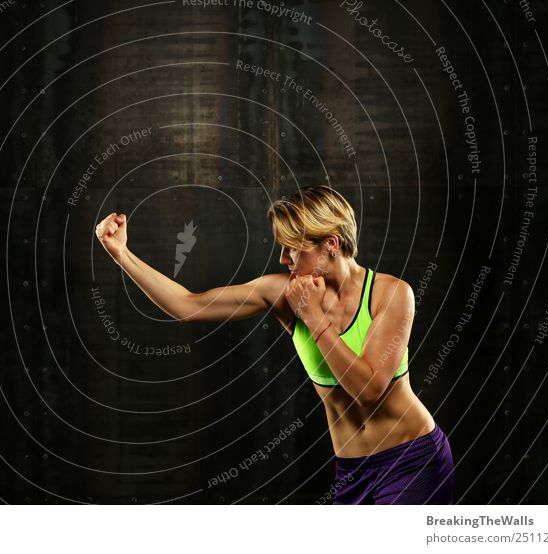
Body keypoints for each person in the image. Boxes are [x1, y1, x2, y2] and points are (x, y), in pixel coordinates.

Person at [94, 185, 454, 504]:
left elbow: (370, 388)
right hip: (351, 469)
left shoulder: (391, 294)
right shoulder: (284, 293)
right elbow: (188, 305)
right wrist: (121, 254)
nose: (283, 259)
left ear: (330, 244)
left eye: (292, 249)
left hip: (412, 458)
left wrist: (314, 318)